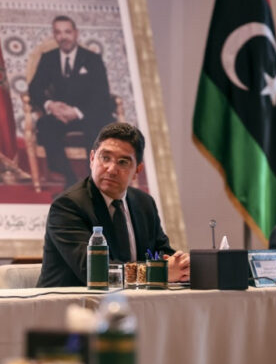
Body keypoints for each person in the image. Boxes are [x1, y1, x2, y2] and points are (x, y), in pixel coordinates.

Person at [37, 122, 189, 287]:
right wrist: (160, 272)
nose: (111, 169)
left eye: (123, 162)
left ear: (137, 170)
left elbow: (160, 253)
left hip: (131, 300)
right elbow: (95, 272)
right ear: (92, 159)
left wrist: (182, 266)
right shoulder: (67, 206)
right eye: (105, 158)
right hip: (71, 302)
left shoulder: (144, 203)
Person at [28, 15, 114, 186]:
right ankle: (70, 180)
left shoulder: (92, 59)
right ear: (54, 35)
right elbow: (34, 88)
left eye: (67, 32)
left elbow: (102, 93)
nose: (63, 37)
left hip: (87, 113)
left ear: (76, 33)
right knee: (45, 125)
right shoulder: (48, 58)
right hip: (60, 115)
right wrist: (50, 105)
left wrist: (76, 112)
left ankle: (94, 182)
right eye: (58, 32)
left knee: (99, 126)